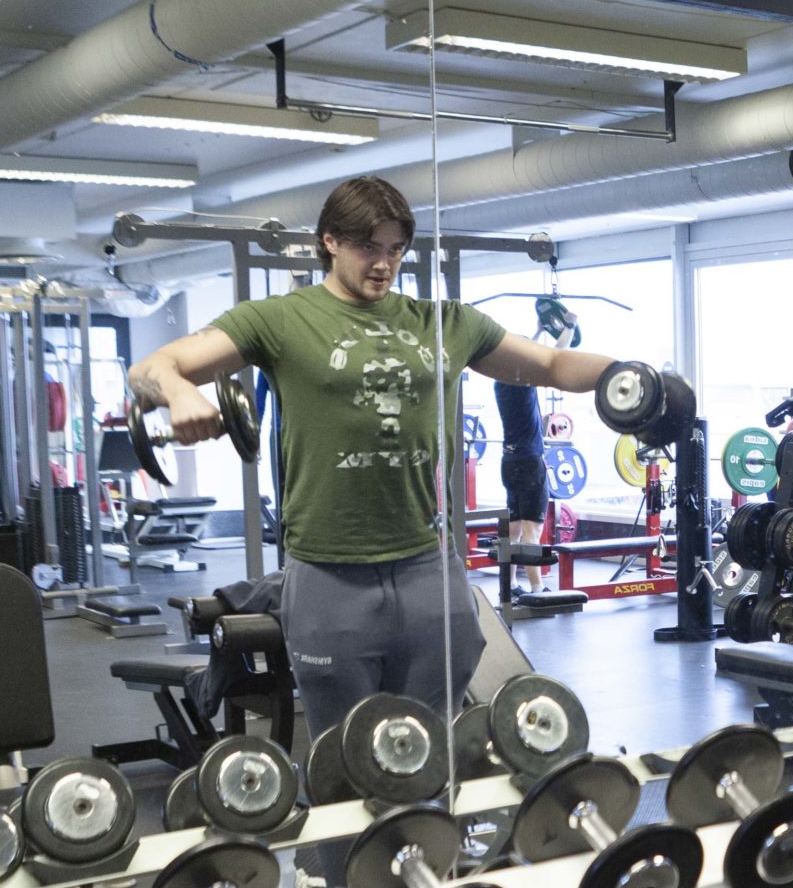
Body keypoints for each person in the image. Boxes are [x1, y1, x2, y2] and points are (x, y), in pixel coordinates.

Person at [127, 177, 617, 734]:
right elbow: (150, 368)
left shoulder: (445, 323)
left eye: (395, 250)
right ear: (330, 241)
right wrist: (181, 390)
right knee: (344, 750)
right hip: (329, 574)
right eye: (368, 248)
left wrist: (631, 377)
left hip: (428, 566)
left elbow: (553, 365)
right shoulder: (281, 320)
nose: (383, 264)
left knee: (433, 746)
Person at [495, 377, 549, 598]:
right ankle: (538, 589)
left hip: (509, 461)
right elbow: (550, 357)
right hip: (530, 462)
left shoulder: (499, 383)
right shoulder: (525, 382)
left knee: (514, 529)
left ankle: (509, 585)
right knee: (532, 531)